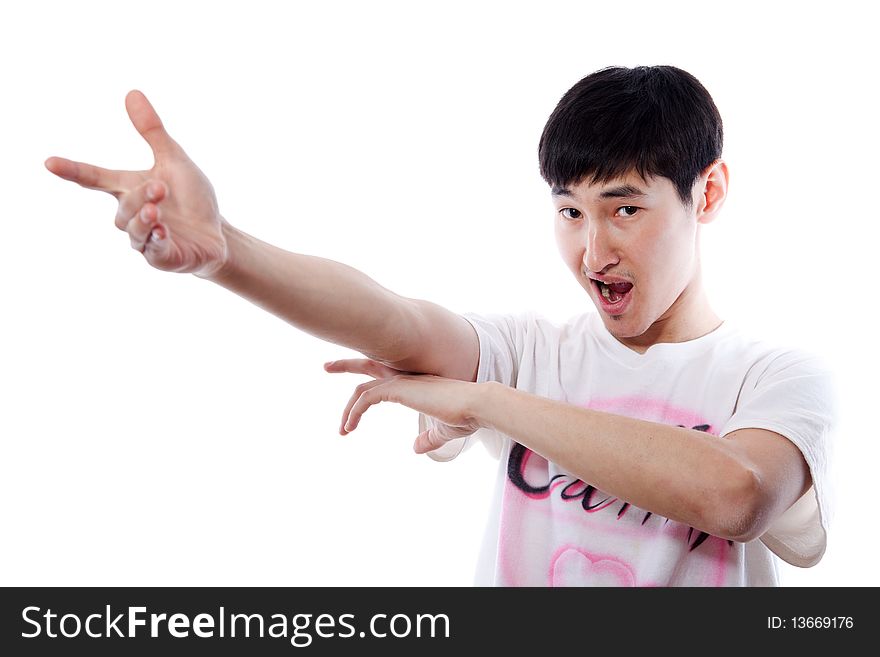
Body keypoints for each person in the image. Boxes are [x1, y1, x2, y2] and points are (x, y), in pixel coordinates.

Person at [45, 65, 836, 587]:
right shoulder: (532, 350)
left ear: (710, 191)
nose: (593, 250)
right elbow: (392, 317)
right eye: (569, 212)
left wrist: (487, 403)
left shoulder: (776, 376)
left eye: (624, 208)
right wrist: (228, 255)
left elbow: (734, 495)